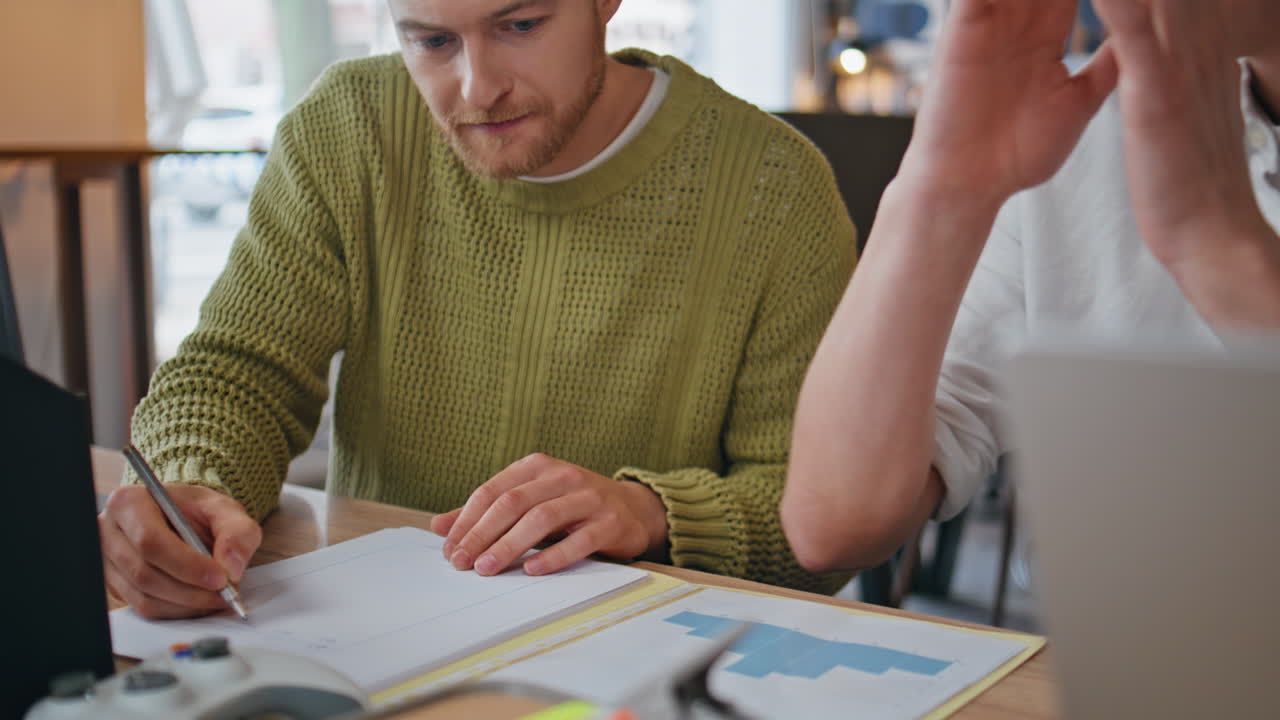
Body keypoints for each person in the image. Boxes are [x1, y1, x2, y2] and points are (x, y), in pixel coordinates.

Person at [100, 0, 858, 618]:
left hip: (649, 656)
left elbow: (821, 524)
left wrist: (652, 511)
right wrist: (193, 486)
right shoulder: (347, 129)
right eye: (432, 40)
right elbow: (238, 372)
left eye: (519, 25)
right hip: (375, 639)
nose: (477, 88)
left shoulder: (775, 186)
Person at [782, 0, 1280, 572]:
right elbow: (835, 521)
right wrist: (939, 190)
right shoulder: (1086, 127)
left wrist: (1217, 245)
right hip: (1115, 656)